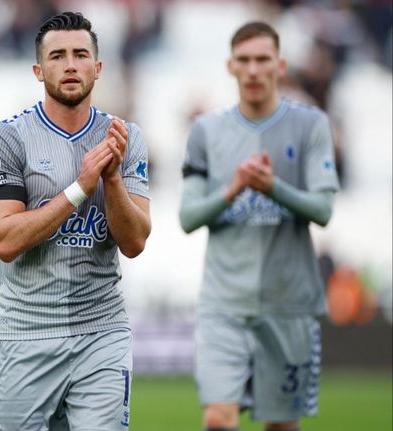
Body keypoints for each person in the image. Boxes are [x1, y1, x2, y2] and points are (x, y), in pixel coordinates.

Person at [0, 11, 151, 430]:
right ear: (39, 70)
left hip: (101, 331)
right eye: (57, 56)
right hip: (26, 333)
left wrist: (111, 180)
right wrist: (80, 187)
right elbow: (4, 240)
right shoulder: (7, 138)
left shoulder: (124, 138)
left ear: (98, 67)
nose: (70, 65)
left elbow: (135, 242)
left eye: (80, 55)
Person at [179, 21, 339, 431]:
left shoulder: (311, 125)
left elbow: (323, 210)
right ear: (230, 65)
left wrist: (272, 188)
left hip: (288, 304)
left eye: (262, 59)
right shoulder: (206, 131)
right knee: (218, 419)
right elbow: (188, 217)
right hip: (223, 305)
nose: (253, 70)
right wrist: (232, 190)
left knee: (281, 425)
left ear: (280, 65)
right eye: (244, 60)